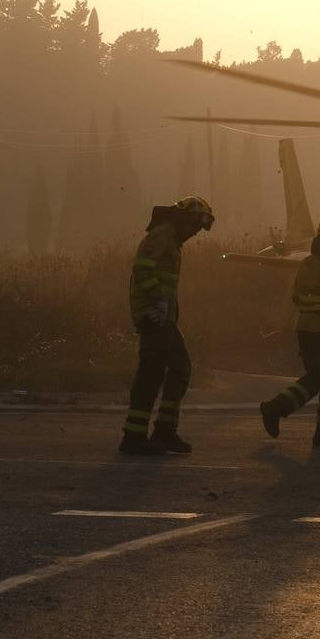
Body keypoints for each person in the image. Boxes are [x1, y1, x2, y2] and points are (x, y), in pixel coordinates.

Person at [119, 195, 215, 455]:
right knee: (151, 372)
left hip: (163, 315)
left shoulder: (172, 239)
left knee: (179, 368)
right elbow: (142, 269)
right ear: (182, 218)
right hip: (154, 315)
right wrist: (157, 300)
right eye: (193, 225)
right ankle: (135, 435)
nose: (194, 232)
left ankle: (163, 430)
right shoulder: (162, 235)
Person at [259, 213, 320, 449]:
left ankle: (276, 407)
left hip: (305, 330)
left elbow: (295, 296)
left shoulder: (306, 263)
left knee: (315, 379)